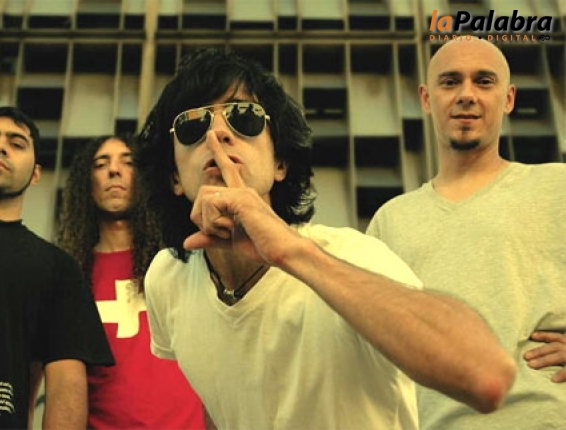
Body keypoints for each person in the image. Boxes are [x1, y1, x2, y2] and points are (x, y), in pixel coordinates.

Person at [135, 47, 517, 429]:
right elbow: (221, 400)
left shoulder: (351, 255)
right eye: (192, 125)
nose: (216, 134)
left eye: (243, 117)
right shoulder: (168, 280)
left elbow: (484, 373)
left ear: (280, 163)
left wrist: (291, 251)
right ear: (174, 177)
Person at [367, 39, 566, 430]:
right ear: (426, 99)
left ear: (508, 99)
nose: (466, 95)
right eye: (450, 82)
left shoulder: (556, 187)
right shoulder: (391, 220)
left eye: (484, 81)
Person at [0, 106, 114, 429]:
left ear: (36, 174)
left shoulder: (59, 269)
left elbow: (66, 386)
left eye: (16, 143)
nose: (0, 147)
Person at [57, 135, 207, 429]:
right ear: (85, 184)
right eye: (101, 164)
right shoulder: (70, 276)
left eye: (128, 162)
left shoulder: (183, 261)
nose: (114, 170)